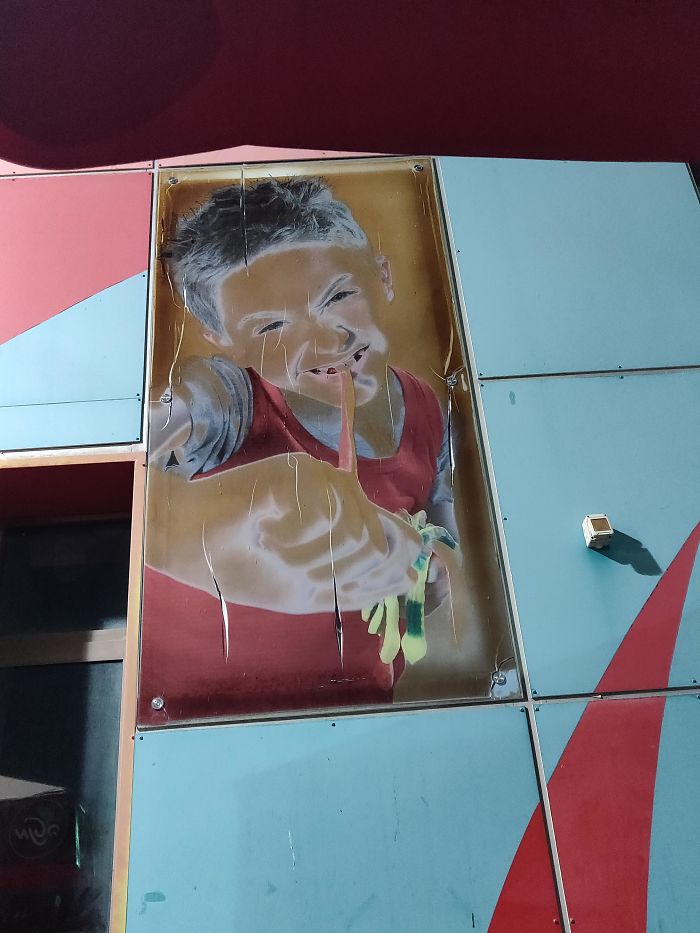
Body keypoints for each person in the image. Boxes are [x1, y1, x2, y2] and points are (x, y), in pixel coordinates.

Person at [140, 176, 459, 722]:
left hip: (372, 708)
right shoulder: (228, 400)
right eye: (269, 327)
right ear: (223, 342)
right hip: (222, 720)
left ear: (381, 276)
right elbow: (140, 451)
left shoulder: (427, 406)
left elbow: (444, 528)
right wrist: (220, 517)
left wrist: (429, 564)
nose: (324, 341)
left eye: (338, 295)